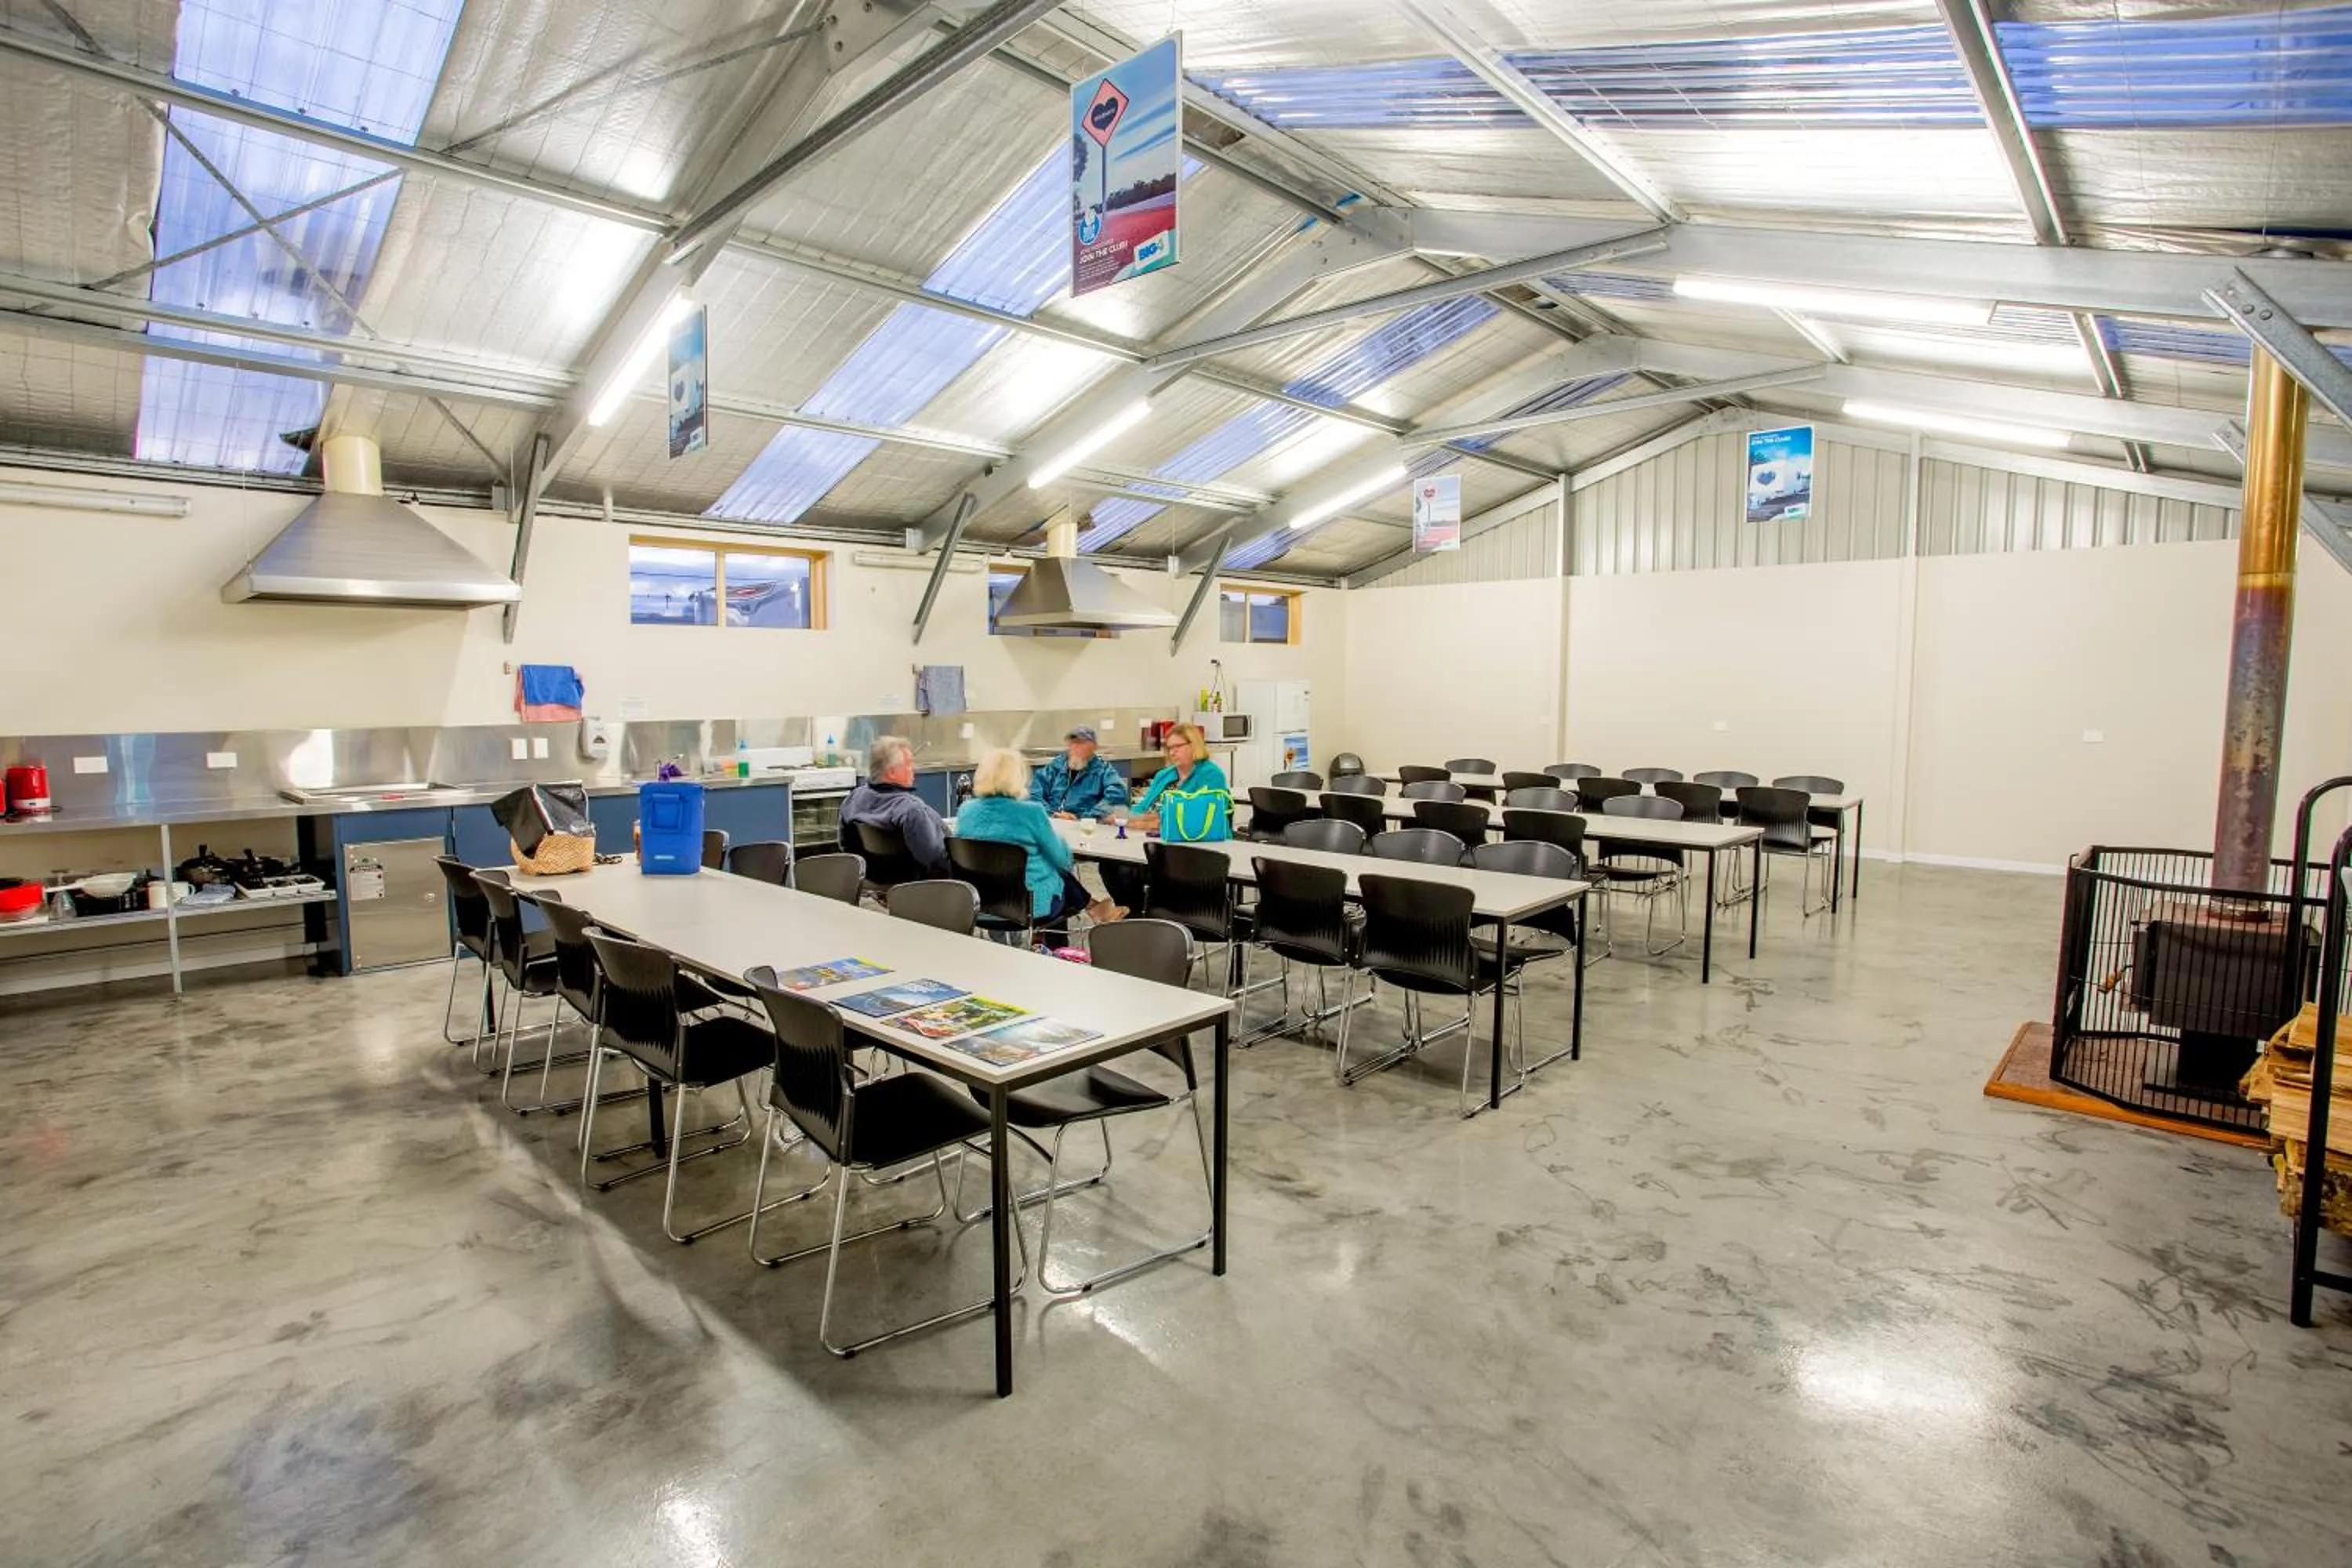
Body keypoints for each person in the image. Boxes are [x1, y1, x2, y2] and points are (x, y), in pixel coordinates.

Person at [955, 749, 1123, 927]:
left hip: (980, 906)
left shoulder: (966, 811)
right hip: (1027, 908)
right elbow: (1062, 859)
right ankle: (1055, 949)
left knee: (1047, 870)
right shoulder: (1031, 812)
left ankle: (1093, 908)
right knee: (1055, 874)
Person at [1102, 724, 1230, 912]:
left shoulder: (1210, 775)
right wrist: (1122, 817)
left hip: (1190, 848)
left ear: (1194, 745)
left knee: (1127, 871)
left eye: (1178, 747)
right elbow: (1143, 808)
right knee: (1110, 865)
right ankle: (1133, 917)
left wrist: (1134, 822)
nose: (1173, 752)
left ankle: (1138, 917)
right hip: (1151, 840)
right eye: (1170, 748)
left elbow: (1175, 819)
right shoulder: (1165, 775)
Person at [838, 735, 947, 876]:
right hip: (913, 887)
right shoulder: (912, 811)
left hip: (872, 882)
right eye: (908, 764)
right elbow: (934, 861)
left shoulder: (853, 799)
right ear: (892, 772)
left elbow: (846, 847)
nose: (913, 769)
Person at [1029, 726, 1127, 821]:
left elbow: (1117, 797)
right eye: (1073, 743)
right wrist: (1051, 814)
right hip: (1052, 821)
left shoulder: (1104, 771)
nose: (1076, 747)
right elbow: (1034, 793)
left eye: (1081, 743)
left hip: (1084, 826)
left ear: (1093, 747)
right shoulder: (1056, 767)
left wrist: (1084, 818)